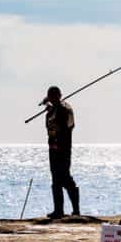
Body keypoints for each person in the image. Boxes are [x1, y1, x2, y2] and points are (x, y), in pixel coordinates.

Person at [43, 85, 79, 219]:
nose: (52, 99)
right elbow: (48, 126)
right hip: (53, 149)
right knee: (55, 179)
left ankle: (76, 209)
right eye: (50, 97)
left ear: (59, 96)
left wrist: (59, 144)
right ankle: (58, 210)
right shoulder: (52, 111)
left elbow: (67, 127)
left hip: (63, 148)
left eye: (54, 96)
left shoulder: (65, 109)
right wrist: (49, 110)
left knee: (65, 177)